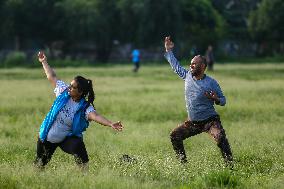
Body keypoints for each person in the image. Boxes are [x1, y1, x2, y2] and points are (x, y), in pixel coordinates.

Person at [34, 51, 123, 169]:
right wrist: (44, 61)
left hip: (65, 138)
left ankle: (84, 175)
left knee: (78, 146)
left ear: (80, 92)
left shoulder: (85, 107)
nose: (69, 88)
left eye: (73, 87)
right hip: (47, 137)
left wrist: (110, 123)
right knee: (40, 164)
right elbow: (52, 77)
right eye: (70, 85)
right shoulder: (63, 92)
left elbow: (95, 116)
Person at [164, 37, 233, 166]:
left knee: (220, 138)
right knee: (174, 136)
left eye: (194, 64)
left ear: (202, 66)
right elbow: (175, 66)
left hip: (210, 121)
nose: (191, 66)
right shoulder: (187, 76)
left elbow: (223, 101)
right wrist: (168, 51)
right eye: (191, 63)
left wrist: (216, 99)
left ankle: (230, 165)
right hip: (193, 122)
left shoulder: (211, 82)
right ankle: (183, 165)